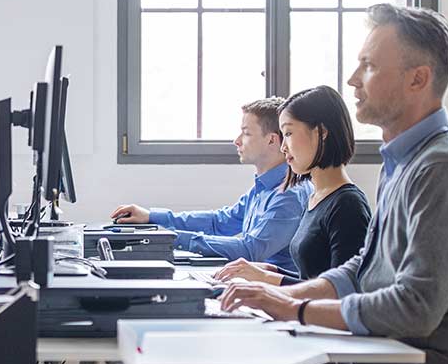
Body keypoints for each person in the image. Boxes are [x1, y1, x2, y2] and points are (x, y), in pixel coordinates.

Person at [220, 4, 448, 364]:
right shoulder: (405, 162)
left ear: (418, 78)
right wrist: (286, 298)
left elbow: (414, 308)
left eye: (369, 66)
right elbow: (363, 268)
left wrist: (296, 310)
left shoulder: (444, 168)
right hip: (395, 355)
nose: (354, 80)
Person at [109, 97, 308, 266]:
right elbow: (219, 222)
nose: (237, 141)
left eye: (246, 133)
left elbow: (250, 249)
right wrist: (151, 217)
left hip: (275, 296)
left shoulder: (289, 195)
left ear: (272, 140)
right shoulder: (263, 188)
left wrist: (171, 237)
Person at [213, 85, 370, 284]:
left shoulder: (348, 205)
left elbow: (342, 293)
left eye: (288, 134)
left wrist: (268, 278)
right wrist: (270, 271)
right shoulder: (316, 197)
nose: (283, 147)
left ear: (321, 132)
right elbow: (314, 278)